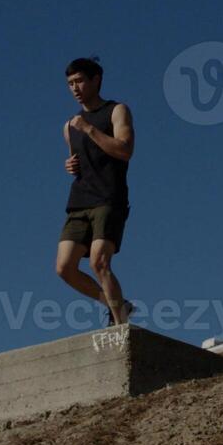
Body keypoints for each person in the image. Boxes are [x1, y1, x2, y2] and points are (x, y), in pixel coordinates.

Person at [55, 57, 135, 326]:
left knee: (99, 262)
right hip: (79, 200)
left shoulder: (116, 111)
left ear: (95, 80)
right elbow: (77, 160)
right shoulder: (69, 125)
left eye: (79, 81)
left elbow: (124, 150)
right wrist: (70, 165)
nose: (75, 88)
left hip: (109, 197)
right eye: (70, 83)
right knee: (64, 268)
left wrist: (89, 129)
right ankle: (117, 305)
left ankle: (120, 326)